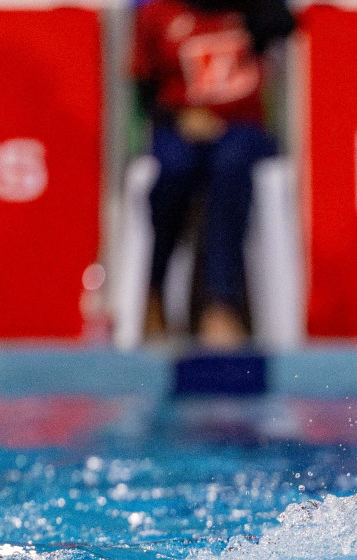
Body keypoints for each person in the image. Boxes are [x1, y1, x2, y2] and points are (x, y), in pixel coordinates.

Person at [131, 0, 295, 349]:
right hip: (178, 123)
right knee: (172, 172)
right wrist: (179, 118)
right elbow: (144, 93)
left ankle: (220, 305)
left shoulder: (252, 11)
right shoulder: (158, 15)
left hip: (241, 126)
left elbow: (286, 23)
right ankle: (155, 293)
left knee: (230, 167)